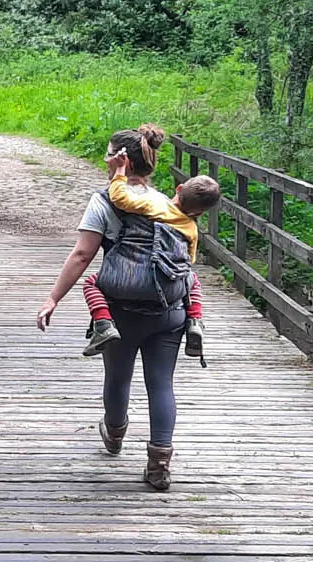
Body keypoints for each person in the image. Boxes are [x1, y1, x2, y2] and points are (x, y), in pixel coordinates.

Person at [35, 123, 191, 491]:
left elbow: (83, 254)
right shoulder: (165, 202)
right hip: (169, 307)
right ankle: (158, 464)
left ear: (121, 160)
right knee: (161, 384)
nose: (104, 159)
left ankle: (115, 435)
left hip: (121, 308)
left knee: (118, 375)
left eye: (108, 153)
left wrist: (53, 297)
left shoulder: (105, 201)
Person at [81, 158, 222, 364]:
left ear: (179, 188)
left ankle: (103, 323)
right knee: (192, 279)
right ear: (199, 212)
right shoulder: (191, 228)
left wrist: (120, 171)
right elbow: (188, 261)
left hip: (125, 283)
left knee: (92, 282)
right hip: (167, 296)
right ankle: (194, 320)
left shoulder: (153, 204)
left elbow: (120, 198)